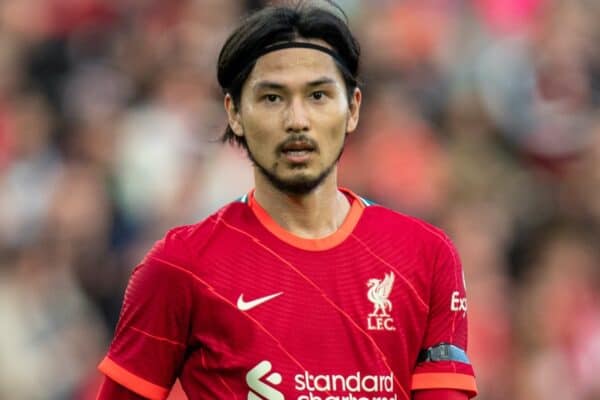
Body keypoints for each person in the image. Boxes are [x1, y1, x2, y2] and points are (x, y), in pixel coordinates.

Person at [96, 2, 477, 399]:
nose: (297, 120)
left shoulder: (428, 256)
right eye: (272, 98)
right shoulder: (180, 266)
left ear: (353, 109)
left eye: (318, 95)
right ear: (235, 113)